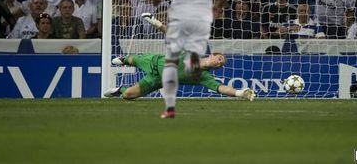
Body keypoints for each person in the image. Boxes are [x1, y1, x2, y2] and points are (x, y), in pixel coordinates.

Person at [104, 52, 255, 101]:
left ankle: (119, 89)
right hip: (154, 62)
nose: (219, 63)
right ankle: (124, 58)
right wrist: (156, 22)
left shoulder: (203, 76)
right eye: (220, 59)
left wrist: (239, 93)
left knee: (128, 95)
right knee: (133, 60)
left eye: (221, 64)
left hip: (157, 80)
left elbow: (220, 88)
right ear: (212, 55)